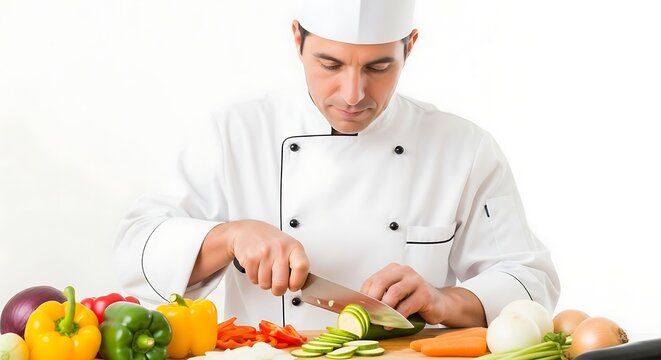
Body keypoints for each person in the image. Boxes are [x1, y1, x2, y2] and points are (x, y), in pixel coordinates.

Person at [114, 0, 560, 330]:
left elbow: (530, 280)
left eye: (379, 67)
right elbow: (136, 250)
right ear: (297, 40)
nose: (352, 93)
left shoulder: (463, 148)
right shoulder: (235, 132)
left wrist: (443, 301)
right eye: (330, 64)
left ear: (411, 47)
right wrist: (228, 236)